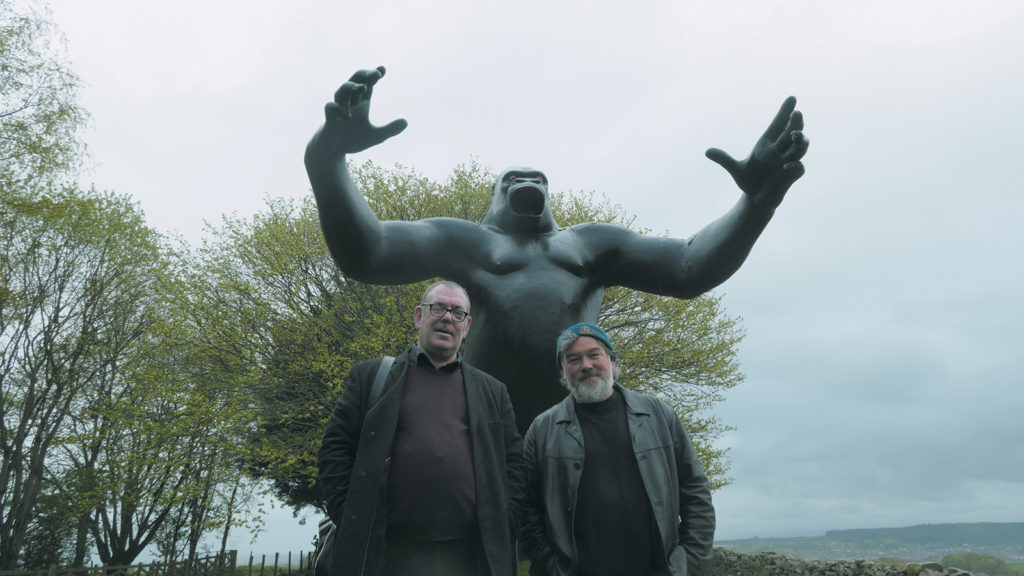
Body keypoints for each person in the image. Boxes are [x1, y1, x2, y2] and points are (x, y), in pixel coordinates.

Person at [304, 66, 809, 432]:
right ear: (493, 197)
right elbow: (367, 254)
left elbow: (688, 267)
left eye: (539, 178)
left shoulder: (590, 244)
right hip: (477, 423)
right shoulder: (465, 241)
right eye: (513, 178)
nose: (528, 181)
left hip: (576, 421)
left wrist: (756, 204)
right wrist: (327, 159)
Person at [317, 280, 525, 576]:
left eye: (458, 313)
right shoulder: (371, 377)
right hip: (387, 555)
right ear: (419, 316)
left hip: (470, 556)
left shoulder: (493, 391)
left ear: (466, 328)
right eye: (438, 307)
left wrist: (506, 520)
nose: (447, 318)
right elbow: (335, 449)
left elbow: (514, 464)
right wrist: (353, 515)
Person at [520, 323, 716, 576]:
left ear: (612, 361)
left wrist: (690, 562)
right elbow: (526, 508)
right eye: (574, 359)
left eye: (594, 354)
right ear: (563, 372)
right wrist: (550, 564)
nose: (586, 365)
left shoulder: (657, 415)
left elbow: (695, 491)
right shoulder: (543, 429)